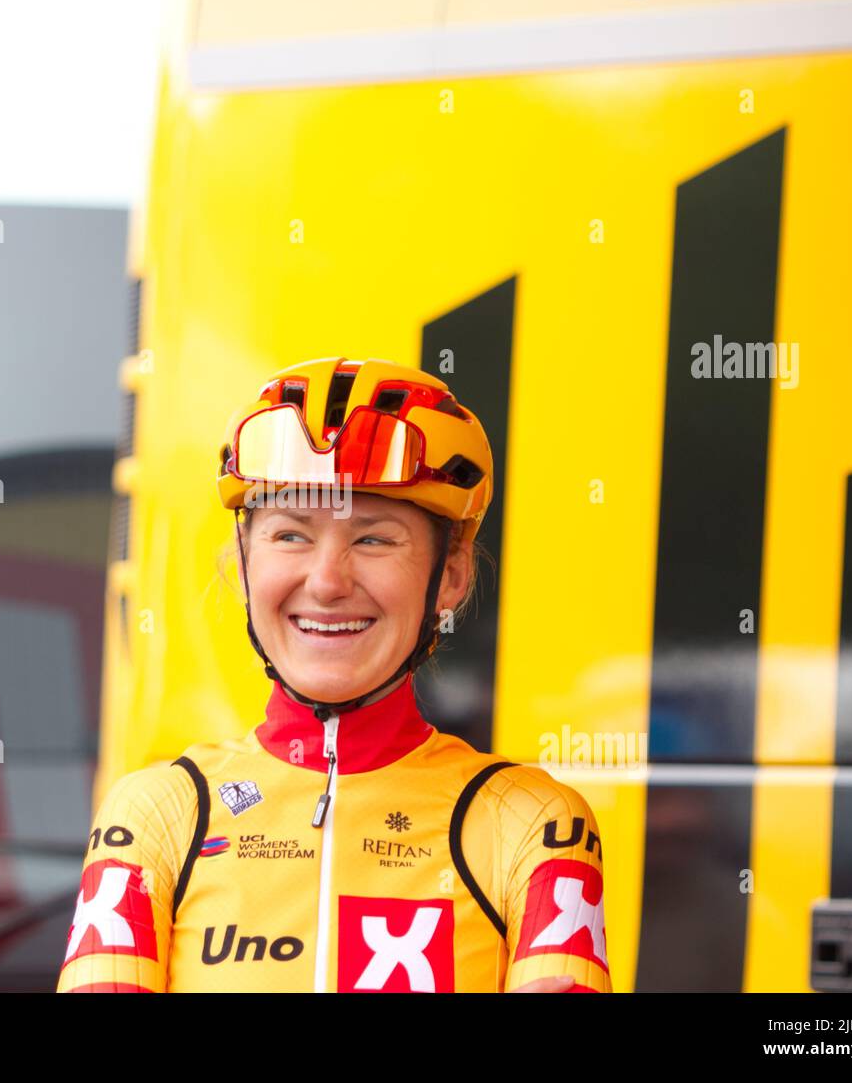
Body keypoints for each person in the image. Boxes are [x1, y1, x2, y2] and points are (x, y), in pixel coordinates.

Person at [56, 357, 611, 993]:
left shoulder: (533, 824)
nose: (326, 582)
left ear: (450, 577)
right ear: (240, 567)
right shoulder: (156, 814)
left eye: (374, 540)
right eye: (291, 536)